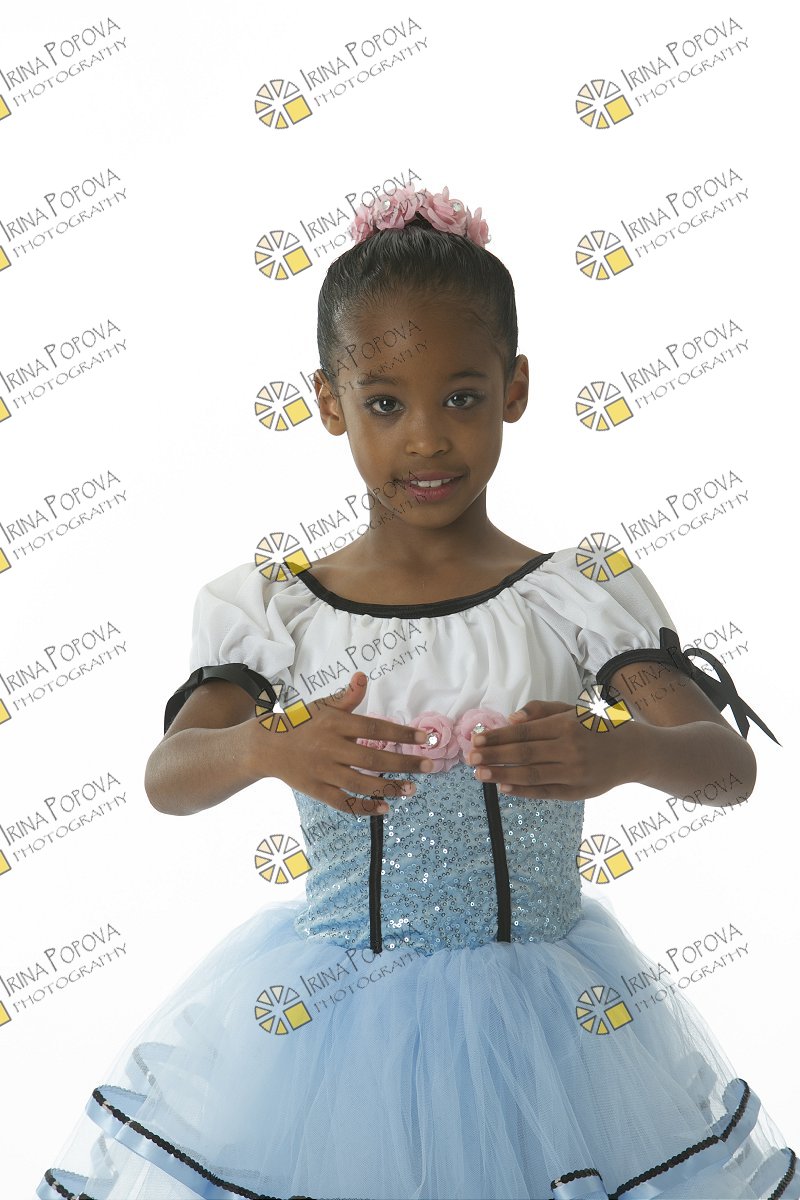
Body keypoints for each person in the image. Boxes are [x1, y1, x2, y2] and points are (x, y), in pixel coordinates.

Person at [38, 185, 797, 1200]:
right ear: (327, 402)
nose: (428, 439)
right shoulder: (275, 609)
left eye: (463, 397)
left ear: (515, 387)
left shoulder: (576, 595)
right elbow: (169, 777)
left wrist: (621, 751)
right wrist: (266, 745)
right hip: (330, 1027)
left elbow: (726, 767)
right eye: (385, 403)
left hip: (552, 1039)